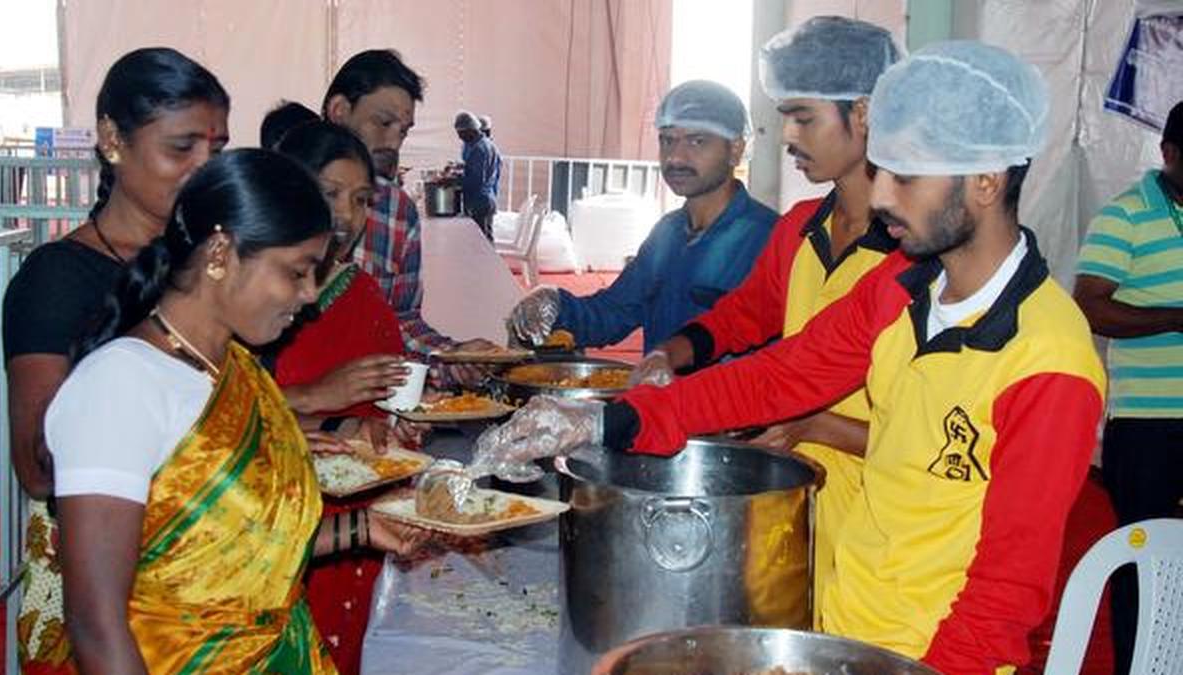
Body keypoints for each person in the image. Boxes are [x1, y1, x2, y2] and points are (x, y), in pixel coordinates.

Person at [479, 42, 1107, 674]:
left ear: (985, 181)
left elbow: (1005, 594)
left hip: (931, 658)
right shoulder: (902, 289)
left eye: (906, 177)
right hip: (843, 628)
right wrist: (606, 421)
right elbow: (780, 375)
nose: (881, 197)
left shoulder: (1048, 359)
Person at [49, 149, 426, 673]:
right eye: (297, 272)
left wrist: (361, 529)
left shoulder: (238, 370)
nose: (310, 295)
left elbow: (231, 552)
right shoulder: (121, 385)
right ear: (220, 253)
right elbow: (96, 621)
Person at [625, 17, 900, 622]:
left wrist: (817, 423)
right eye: (785, 119)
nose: (789, 137)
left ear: (863, 113)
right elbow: (745, 315)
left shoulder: (911, 254)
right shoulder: (802, 227)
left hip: (879, 511)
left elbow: (923, 441)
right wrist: (670, 353)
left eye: (804, 118)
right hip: (793, 491)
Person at [1, 47, 229, 673]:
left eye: (216, 150)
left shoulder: (209, 265)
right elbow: (38, 468)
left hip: (211, 578)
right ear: (111, 140)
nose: (203, 171)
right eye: (181, 148)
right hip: (108, 591)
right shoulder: (57, 278)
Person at [269, 120, 417, 674]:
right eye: (330, 193)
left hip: (352, 525)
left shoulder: (364, 296)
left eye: (361, 200)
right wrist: (314, 398)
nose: (347, 216)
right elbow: (209, 422)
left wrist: (393, 431)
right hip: (266, 520)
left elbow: (385, 410)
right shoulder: (248, 296)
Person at [507, 80, 778, 352]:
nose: (675, 158)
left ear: (736, 150)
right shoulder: (668, 233)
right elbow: (614, 312)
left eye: (697, 141)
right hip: (656, 380)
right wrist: (556, 305)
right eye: (667, 140)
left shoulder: (769, 240)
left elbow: (781, 357)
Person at [1073, 99, 1183, 675]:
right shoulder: (1126, 216)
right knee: (1144, 558)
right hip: (1148, 424)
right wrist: (1176, 318)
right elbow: (1089, 306)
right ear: (1168, 153)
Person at [322, 49, 496, 366]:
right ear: (339, 110)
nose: (393, 143)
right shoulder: (280, 193)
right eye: (383, 123)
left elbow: (399, 321)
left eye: (402, 131)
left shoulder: (397, 210)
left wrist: (453, 358)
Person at [454, 110, 502, 240]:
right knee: (484, 240)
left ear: (470, 130)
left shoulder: (479, 149)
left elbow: (476, 181)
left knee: (481, 243)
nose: (460, 137)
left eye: (461, 133)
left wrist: (454, 181)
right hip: (483, 200)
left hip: (480, 203)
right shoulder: (483, 144)